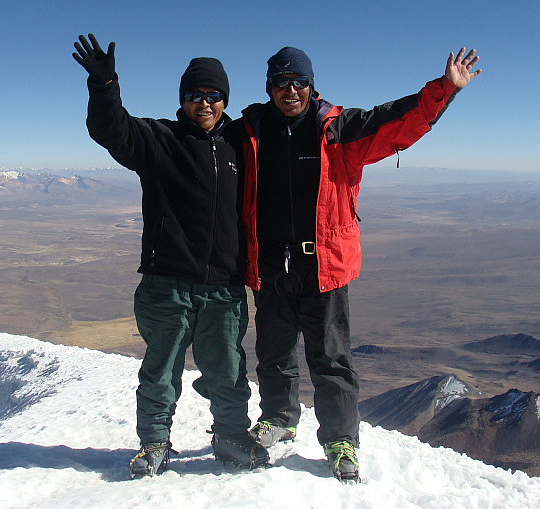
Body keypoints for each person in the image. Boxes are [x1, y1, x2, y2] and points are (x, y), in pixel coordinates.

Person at [231, 46, 481, 482]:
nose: (290, 91)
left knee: (331, 358)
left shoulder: (337, 129)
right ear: (269, 86)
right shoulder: (249, 131)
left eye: (299, 82)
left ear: (311, 85)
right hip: (270, 263)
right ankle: (280, 418)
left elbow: (396, 122)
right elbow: (202, 142)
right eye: (281, 82)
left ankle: (341, 439)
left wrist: (445, 90)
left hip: (321, 264)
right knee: (273, 353)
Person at [71, 33, 269, 477]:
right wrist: (104, 87)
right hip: (168, 285)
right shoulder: (159, 140)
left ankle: (232, 436)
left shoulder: (241, 144)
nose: (205, 103)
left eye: (214, 96)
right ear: (182, 100)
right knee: (160, 372)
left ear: (225, 101)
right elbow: (111, 130)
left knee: (228, 370)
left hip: (223, 286)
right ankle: (155, 443)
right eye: (195, 95)